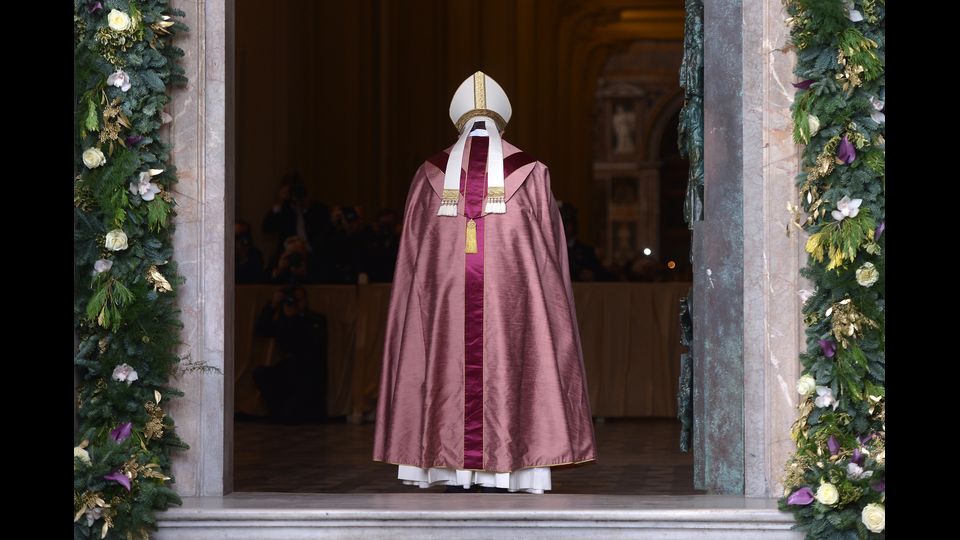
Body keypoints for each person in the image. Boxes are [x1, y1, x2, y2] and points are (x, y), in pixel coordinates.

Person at [373, 72, 597, 494]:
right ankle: (515, 466)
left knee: (440, 352)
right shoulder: (530, 171)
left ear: (459, 122)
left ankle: (442, 465)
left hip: (445, 305)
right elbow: (550, 259)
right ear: (502, 123)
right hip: (512, 306)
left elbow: (411, 264)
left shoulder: (429, 174)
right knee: (514, 356)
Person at [252, 285, 328, 423]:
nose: (295, 304)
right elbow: (261, 329)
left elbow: (307, 345)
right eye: (291, 300)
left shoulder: (316, 320)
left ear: (306, 300)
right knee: (260, 373)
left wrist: (294, 319)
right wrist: (273, 305)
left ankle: (287, 414)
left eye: (298, 300)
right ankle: (279, 412)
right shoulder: (283, 321)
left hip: (308, 370)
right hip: (288, 367)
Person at [261, 173, 332, 265]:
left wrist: (306, 206)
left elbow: (325, 236)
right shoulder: (285, 209)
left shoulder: (319, 209)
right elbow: (267, 227)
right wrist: (279, 201)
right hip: (288, 255)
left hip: (312, 256)